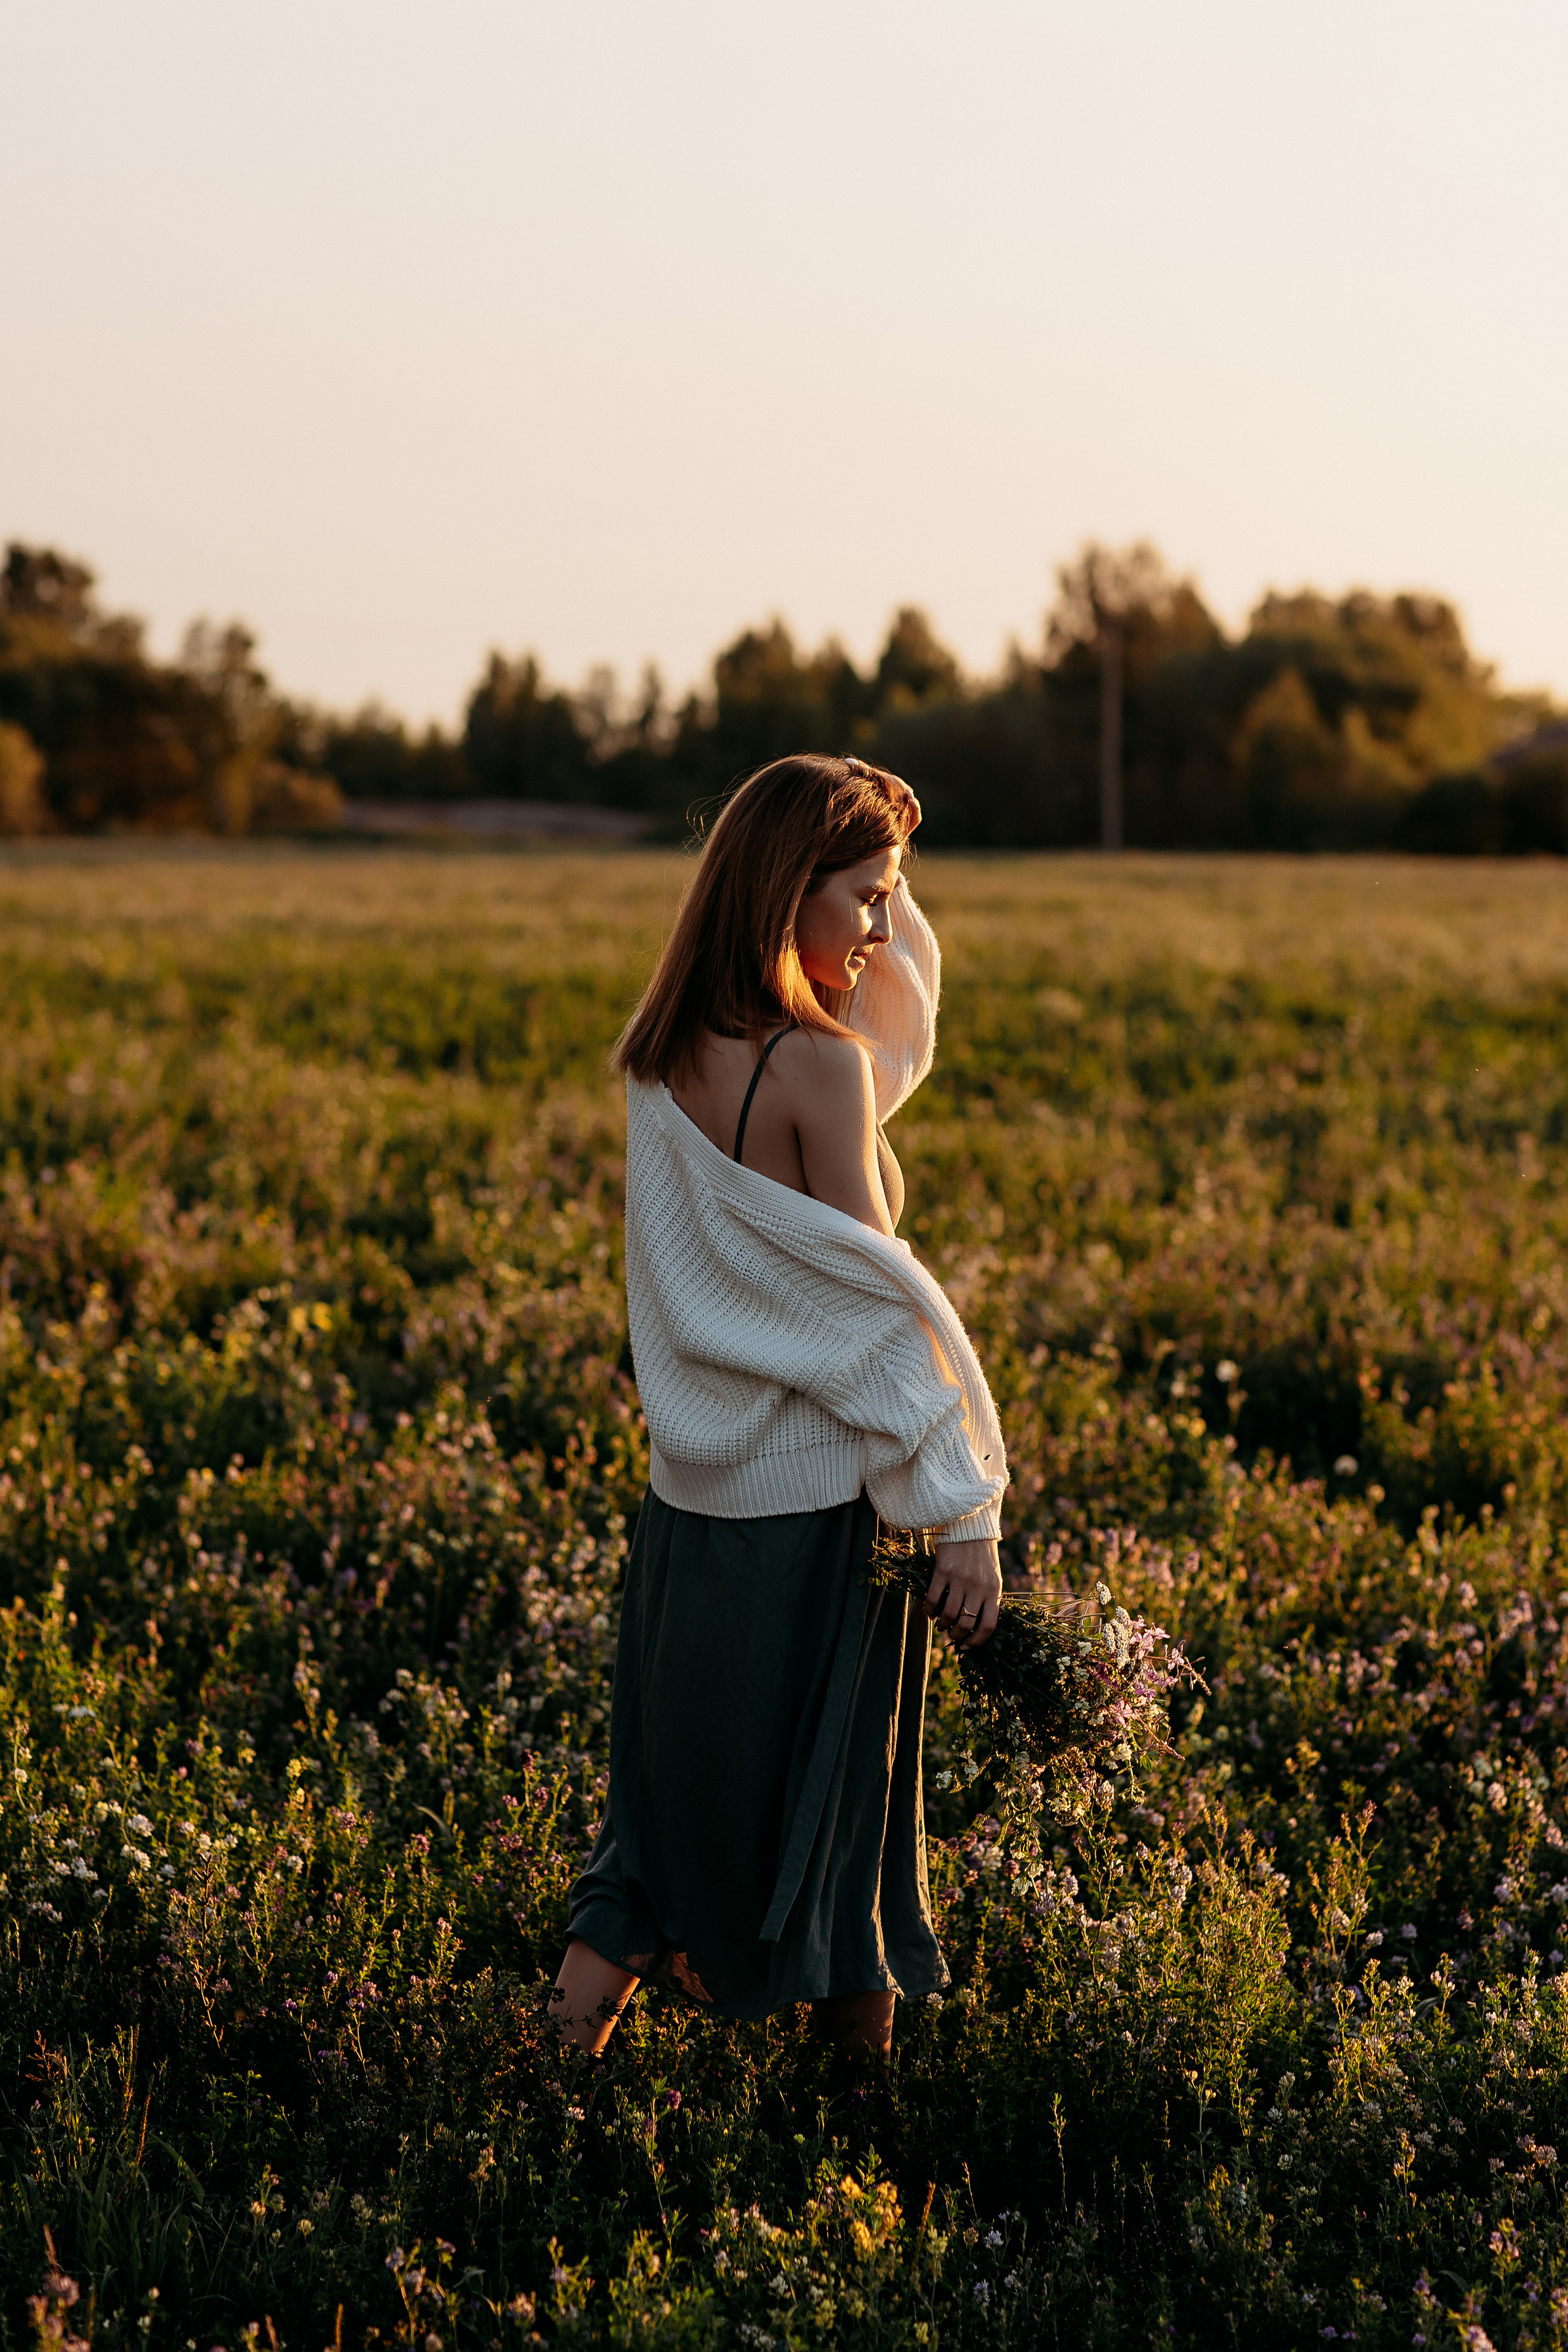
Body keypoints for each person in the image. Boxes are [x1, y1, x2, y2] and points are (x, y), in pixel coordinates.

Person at [552, 753, 1008, 2064]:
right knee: (846, 1826)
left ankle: (536, 2097)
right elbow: (880, 1313)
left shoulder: (662, 1059)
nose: (883, 929)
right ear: (782, 894)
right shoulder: (815, 1073)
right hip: (821, 1524)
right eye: (865, 898)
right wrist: (961, 1510)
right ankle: (852, 2150)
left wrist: (875, 838)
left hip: (689, 1516)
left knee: (649, 1834)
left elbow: (881, 1053)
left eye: (891, 900)